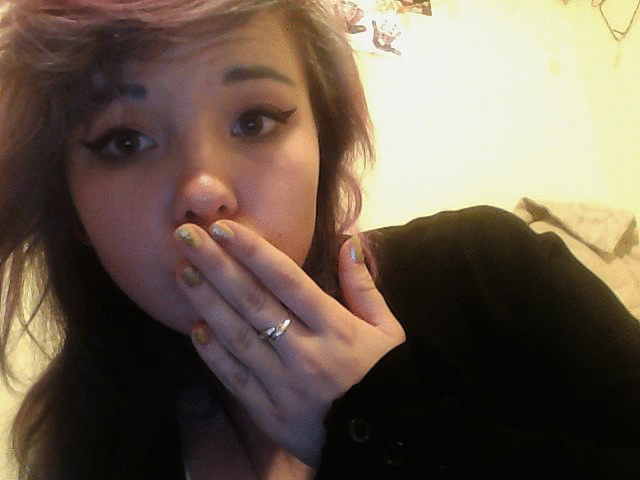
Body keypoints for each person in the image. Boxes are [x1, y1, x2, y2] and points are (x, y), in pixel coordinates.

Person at [0, 1, 638, 479]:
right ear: (71, 208)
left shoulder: (489, 268)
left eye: (255, 120)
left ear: (323, 147)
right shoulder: (80, 442)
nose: (203, 192)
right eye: (125, 141)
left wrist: (383, 424)